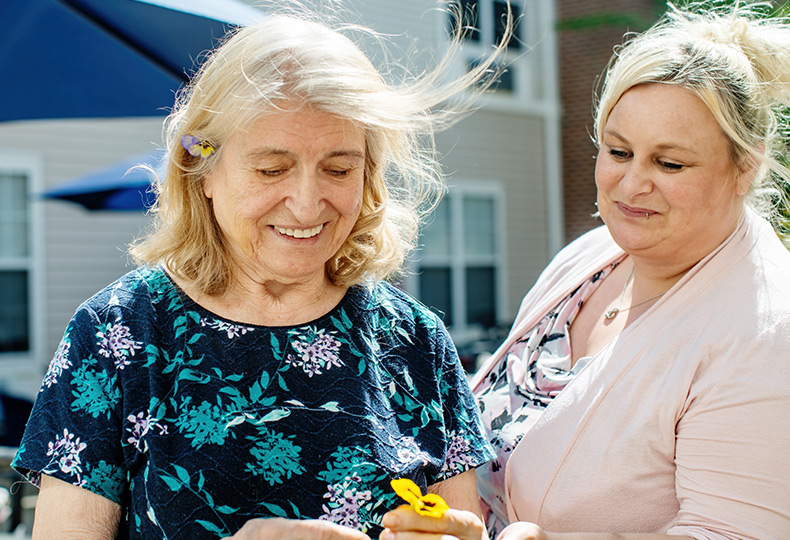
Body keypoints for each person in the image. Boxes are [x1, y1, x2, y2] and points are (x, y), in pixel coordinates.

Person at [11, 7, 508, 540]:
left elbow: (458, 528)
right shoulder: (116, 333)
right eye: (272, 169)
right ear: (201, 170)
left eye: (339, 169)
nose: (307, 202)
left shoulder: (417, 342)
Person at [382, 3, 790, 540]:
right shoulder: (591, 256)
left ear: (747, 166)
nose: (630, 184)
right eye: (618, 151)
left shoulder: (767, 335)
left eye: (670, 163)